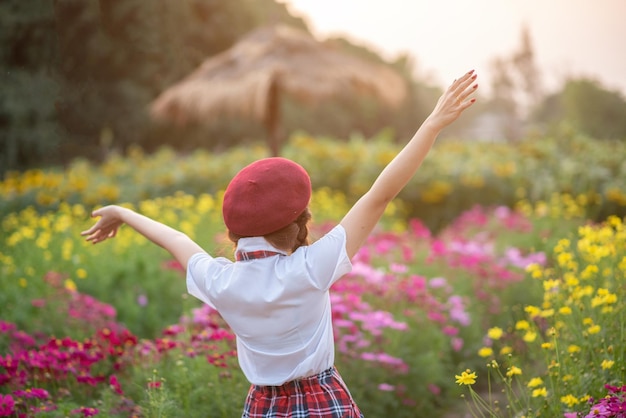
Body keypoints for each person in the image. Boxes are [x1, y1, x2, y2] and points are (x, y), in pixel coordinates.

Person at [81, 70, 478, 417]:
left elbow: (176, 240)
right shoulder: (308, 268)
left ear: (234, 232)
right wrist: (431, 125)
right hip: (323, 403)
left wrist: (123, 212)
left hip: (262, 407)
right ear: (298, 223)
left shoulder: (222, 281)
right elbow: (379, 195)